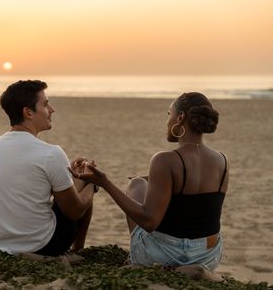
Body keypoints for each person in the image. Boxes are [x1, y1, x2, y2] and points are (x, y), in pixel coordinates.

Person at [70, 92, 228, 270]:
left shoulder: (165, 159)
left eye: (169, 115)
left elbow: (149, 221)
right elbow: (196, 205)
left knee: (137, 184)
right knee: (144, 183)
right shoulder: (222, 160)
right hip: (208, 256)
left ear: (180, 118)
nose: (167, 122)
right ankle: (195, 269)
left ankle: (145, 260)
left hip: (164, 256)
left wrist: (104, 182)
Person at [0, 80, 96, 256]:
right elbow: (75, 211)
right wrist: (92, 183)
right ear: (28, 112)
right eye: (46, 105)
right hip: (42, 245)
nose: (52, 110)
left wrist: (70, 175)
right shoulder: (50, 153)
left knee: (77, 183)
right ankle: (78, 249)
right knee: (88, 183)